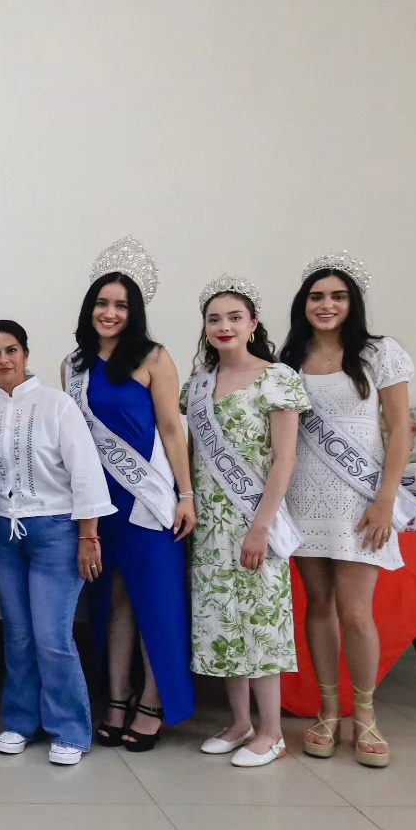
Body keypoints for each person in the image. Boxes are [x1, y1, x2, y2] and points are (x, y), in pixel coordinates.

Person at [63, 238, 197, 753]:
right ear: (89, 308)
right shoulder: (72, 366)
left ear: (134, 312)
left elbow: (172, 428)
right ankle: (117, 698)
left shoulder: (154, 358)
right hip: (100, 505)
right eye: (102, 303)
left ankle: (153, 703)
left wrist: (185, 494)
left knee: (156, 602)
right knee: (113, 599)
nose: (110, 313)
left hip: (149, 500)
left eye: (120, 305)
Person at [281, 253, 413, 768]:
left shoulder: (379, 354)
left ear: (352, 303)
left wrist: (385, 500)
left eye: (338, 296)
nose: (327, 304)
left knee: (356, 612)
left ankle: (366, 715)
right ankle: (328, 711)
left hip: (360, 503)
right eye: (317, 296)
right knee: (317, 605)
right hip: (303, 500)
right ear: (304, 303)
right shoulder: (288, 359)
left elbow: (400, 430)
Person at [183, 276, 308, 767]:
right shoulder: (199, 385)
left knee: (260, 621)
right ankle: (240, 723)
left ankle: (272, 732)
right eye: (214, 319)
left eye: (235, 317)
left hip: (257, 519)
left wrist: (261, 525)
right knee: (221, 622)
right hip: (211, 526)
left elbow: (285, 458)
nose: (225, 326)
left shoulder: (277, 377)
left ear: (253, 324)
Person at [0, 320, 114, 766]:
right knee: (17, 635)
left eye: (11, 350)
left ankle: (69, 728)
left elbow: (85, 472)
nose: (4, 359)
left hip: (56, 532)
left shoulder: (57, 405)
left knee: (52, 635)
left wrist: (88, 536)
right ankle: (20, 721)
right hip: (4, 532)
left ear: (25, 354)